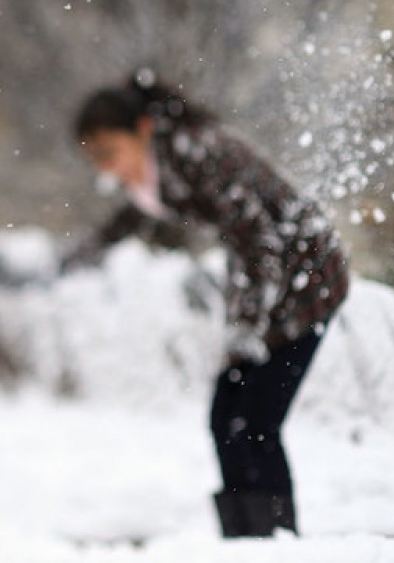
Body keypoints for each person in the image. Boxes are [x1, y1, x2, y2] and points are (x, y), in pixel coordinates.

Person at [68, 69, 349, 538]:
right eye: (94, 159)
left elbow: (259, 238)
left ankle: (276, 544)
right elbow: (128, 217)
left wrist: (248, 328)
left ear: (142, 130)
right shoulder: (162, 165)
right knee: (225, 420)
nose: (105, 169)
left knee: (255, 423)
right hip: (265, 286)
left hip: (307, 281)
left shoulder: (201, 153)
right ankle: (244, 542)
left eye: (108, 154)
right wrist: (78, 257)